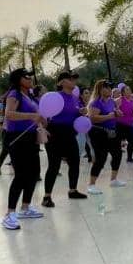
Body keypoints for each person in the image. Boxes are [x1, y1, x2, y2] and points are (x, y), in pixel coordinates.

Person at [0, 69, 46, 230]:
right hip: (17, 138)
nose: (30, 79)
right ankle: (9, 214)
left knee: (34, 173)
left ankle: (25, 207)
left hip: (31, 137)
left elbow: (38, 115)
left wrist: (42, 121)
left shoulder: (30, 96)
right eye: (27, 77)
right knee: (20, 175)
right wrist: (31, 116)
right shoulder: (14, 94)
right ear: (19, 79)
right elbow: (9, 114)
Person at [42, 71, 87, 206]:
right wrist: (43, 128)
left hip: (70, 133)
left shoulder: (75, 98)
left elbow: (74, 114)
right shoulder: (55, 96)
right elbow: (44, 113)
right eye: (70, 79)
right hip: (55, 133)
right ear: (61, 82)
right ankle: (47, 197)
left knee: (75, 162)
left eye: (74, 79)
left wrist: (80, 112)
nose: (73, 81)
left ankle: (73, 190)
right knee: (54, 165)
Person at [87, 80, 125, 194]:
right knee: (101, 158)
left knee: (117, 154)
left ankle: (113, 180)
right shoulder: (96, 102)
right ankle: (91, 185)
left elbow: (115, 112)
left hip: (112, 131)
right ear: (100, 89)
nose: (109, 89)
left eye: (110, 87)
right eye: (106, 87)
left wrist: (118, 113)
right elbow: (93, 118)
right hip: (98, 132)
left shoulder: (112, 101)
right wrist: (109, 116)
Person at [115, 84, 133, 164]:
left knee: (131, 142)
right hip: (120, 124)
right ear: (123, 92)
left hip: (130, 125)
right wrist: (117, 110)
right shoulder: (119, 100)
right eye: (127, 90)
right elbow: (114, 108)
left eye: (130, 89)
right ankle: (116, 157)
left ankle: (129, 158)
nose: (129, 91)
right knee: (118, 142)